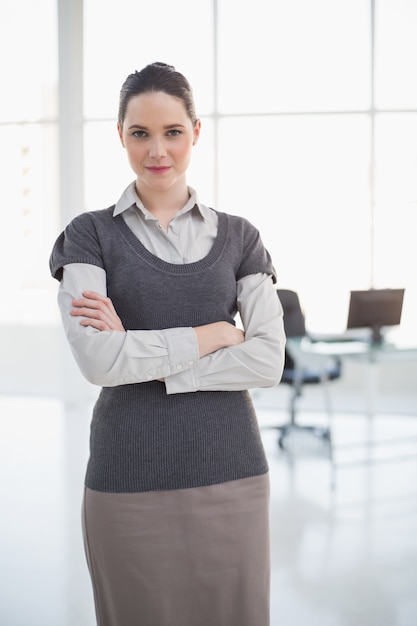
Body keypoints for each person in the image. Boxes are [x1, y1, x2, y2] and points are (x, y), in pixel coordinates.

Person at [49, 61, 286, 626]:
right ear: (121, 135)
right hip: (126, 479)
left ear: (196, 132)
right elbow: (99, 361)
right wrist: (213, 336)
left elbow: (268, 359)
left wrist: (148, 358)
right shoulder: (90, 235)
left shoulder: (240, 237)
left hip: (232, 472)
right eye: (140, 133)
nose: (158, 150)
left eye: (173, 132)